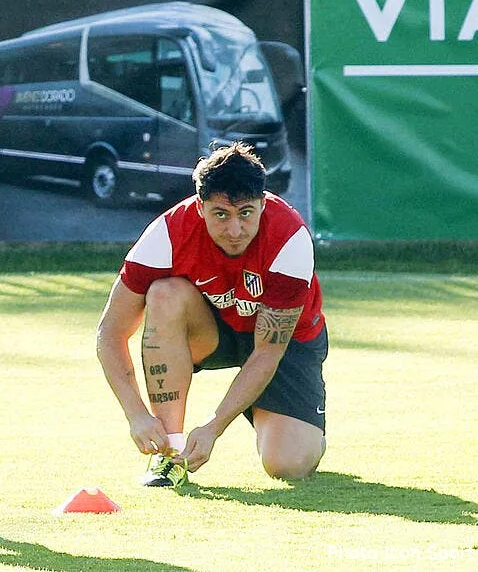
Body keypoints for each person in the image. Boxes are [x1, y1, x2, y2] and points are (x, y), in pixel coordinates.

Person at [95, 142, 327, 488]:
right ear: (200, 207)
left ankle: (278, 415)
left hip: (282, 343)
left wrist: (213, 427)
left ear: (263, 204)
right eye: (221, 214)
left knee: (288, 464)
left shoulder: (290, 239)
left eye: (246, 213)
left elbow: (267, 353)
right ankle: (170, 453)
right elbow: (110, 333)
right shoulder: (168, 234)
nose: (235, 230)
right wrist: (137, 416)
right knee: (164, 294)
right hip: (213, 331)